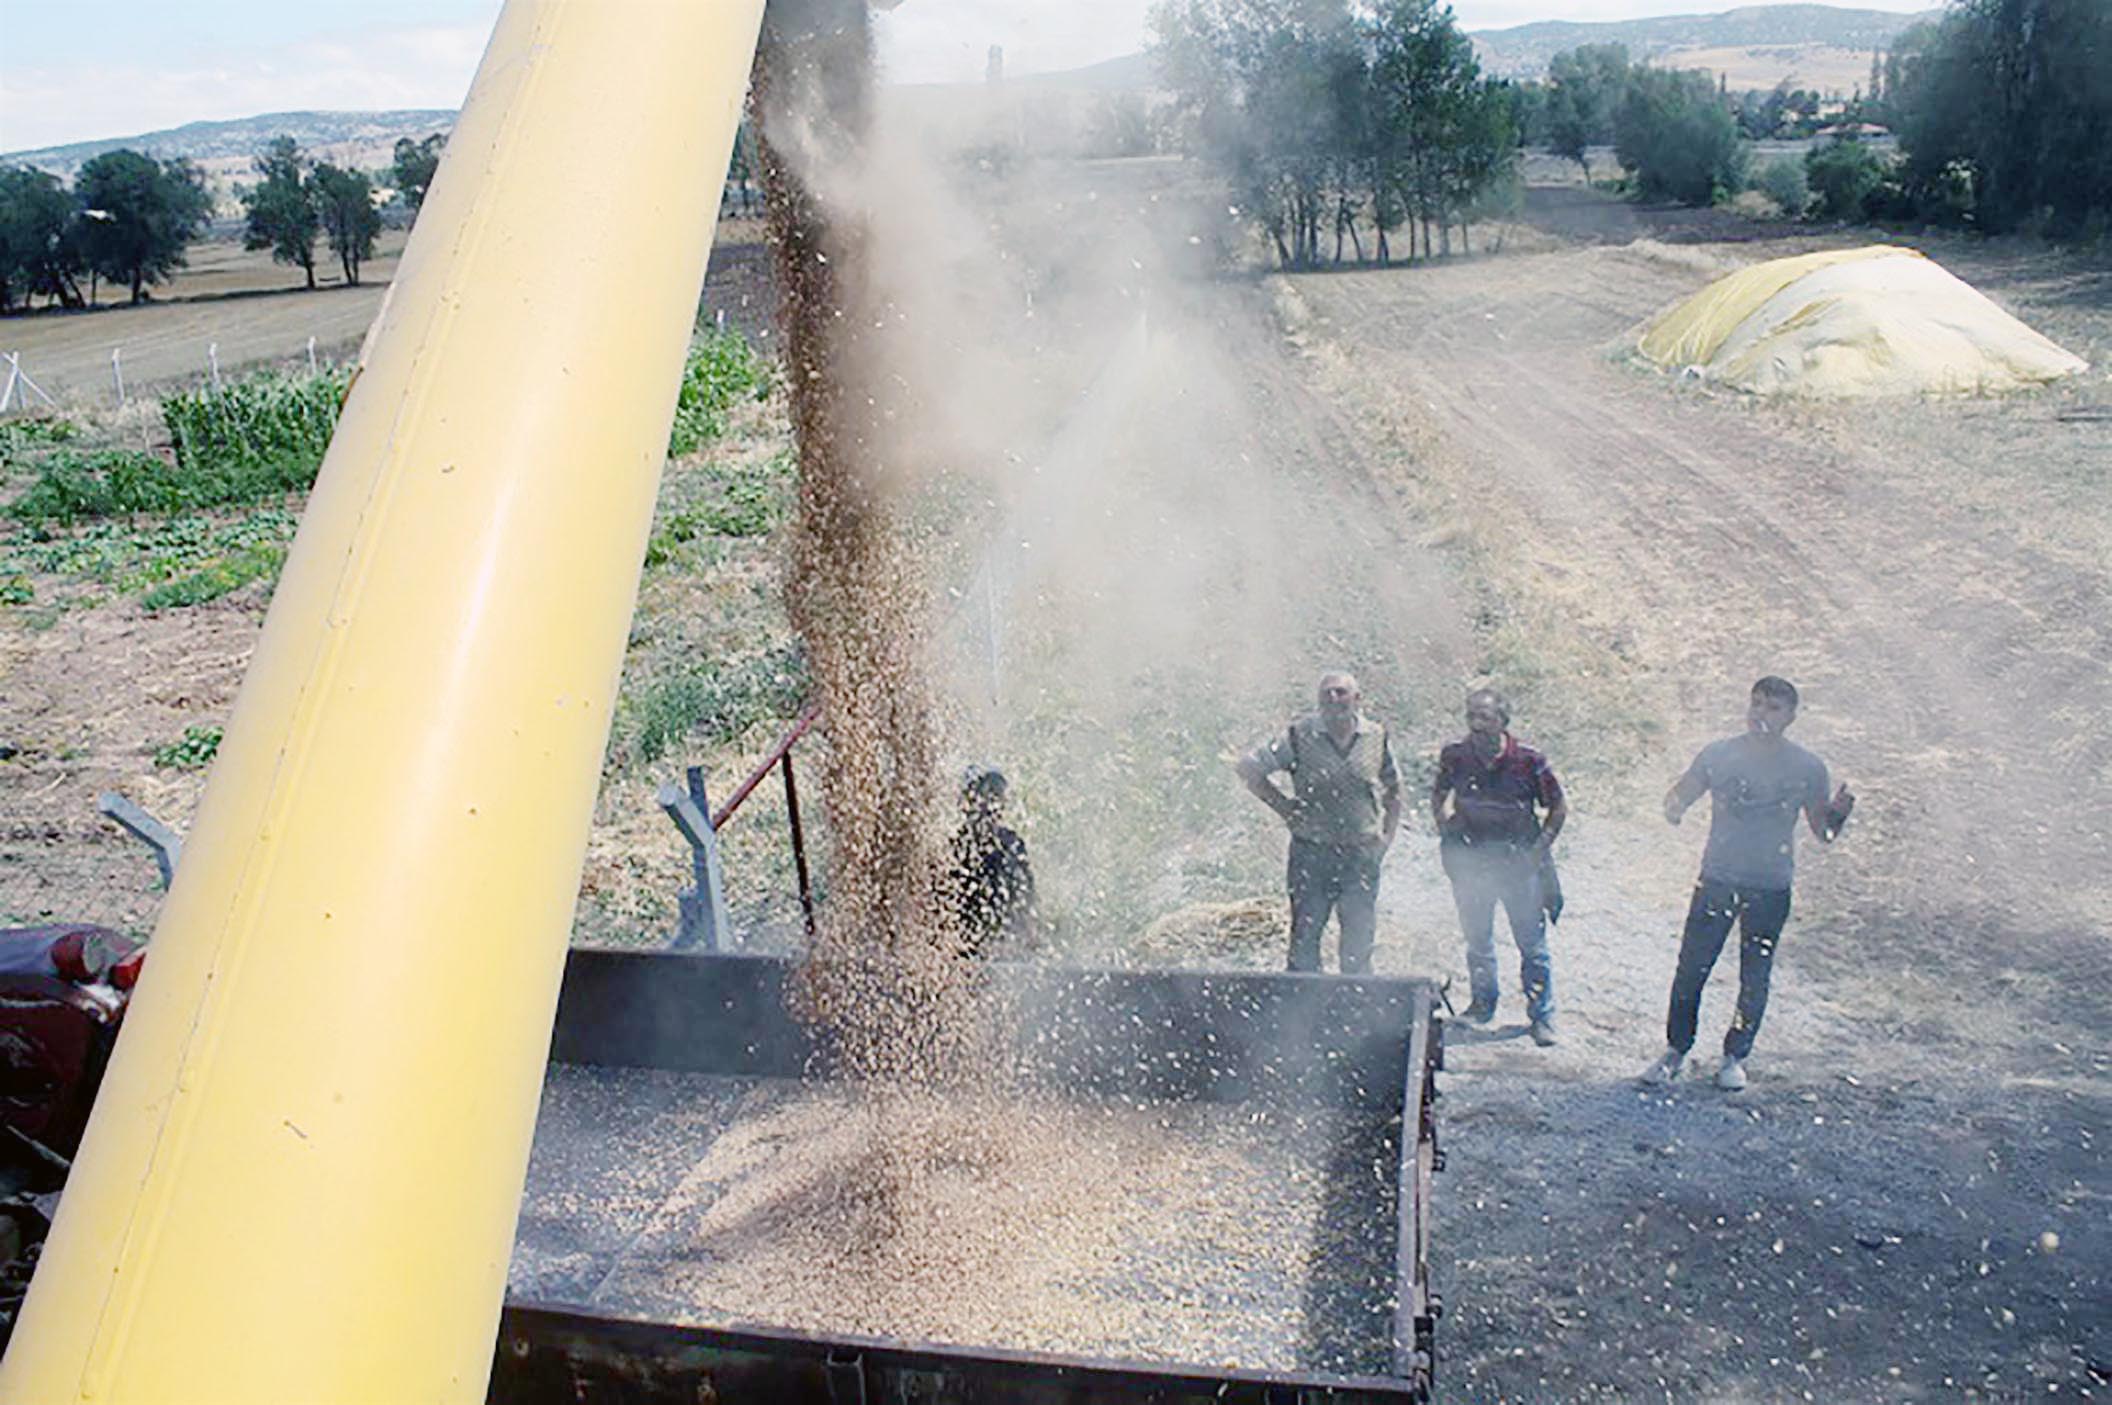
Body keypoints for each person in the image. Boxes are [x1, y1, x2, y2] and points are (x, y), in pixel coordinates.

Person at [1642, 676, 1855, 1091]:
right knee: (1692, 967)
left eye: (1773, 707)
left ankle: (1735, 1057)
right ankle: (1676, 1050)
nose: (1762, 713)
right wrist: (1673, 805)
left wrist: (1840, 813)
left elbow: (1822, 833)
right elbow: (1679, 797)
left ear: (1791, 717)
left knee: (1754, 972)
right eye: (1757, 703)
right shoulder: (1720, 755)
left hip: (1770, 884)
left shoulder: (1807, 768)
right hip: (1718, 876)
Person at [1237, 672, 1402, 975]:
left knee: (1358, 940)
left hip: (1360, 855)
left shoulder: (1376, 737)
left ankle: (1355, 1009)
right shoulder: (1300, 736)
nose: (1333, 699)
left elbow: (1394, 789)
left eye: (1341, 692)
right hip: (1312, 853)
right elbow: (1248, 767)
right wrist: (1285, 808)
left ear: (1357, 699)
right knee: (1305, 938)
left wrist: (1387, 836)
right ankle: (1303, 1011)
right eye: (1327, 693)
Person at [1430, 688, 1568, 1046]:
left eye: (1485, 717)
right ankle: (1481, 1005)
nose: (1477, 724)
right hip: (1472, 861)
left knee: (1531, 944)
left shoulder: (1528, 760)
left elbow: (1557, 808)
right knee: (1478, 939)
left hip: (1517, 863)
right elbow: (1439, 793)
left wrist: (1537, 853)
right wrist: (1445, 828)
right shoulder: (1456, 756)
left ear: (1503, 721)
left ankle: (1541, 1016)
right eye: (1471, 715)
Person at [947, 765, 1036, 958]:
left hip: (1002, 948)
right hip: (965, 949)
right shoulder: (952, 849)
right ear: (966, 802)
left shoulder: (1012, 844)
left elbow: (1026, 902)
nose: (989, 804)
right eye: (982, 795)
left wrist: (1028, 939)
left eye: (996, 796)